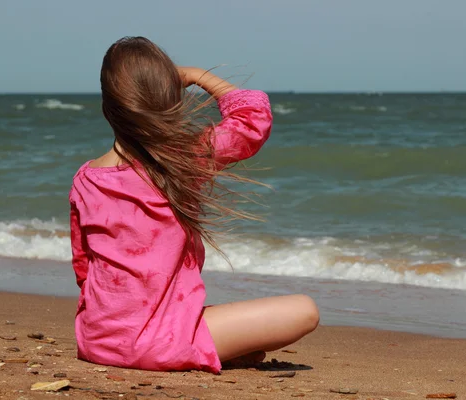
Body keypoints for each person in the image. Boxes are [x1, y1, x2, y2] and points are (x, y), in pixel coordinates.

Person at [69, 36, 319, 374]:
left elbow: (84, 269)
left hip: (96, 339)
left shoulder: (86, 178)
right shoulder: (185, 159)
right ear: (172, 96)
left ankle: (205, 346)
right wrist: (199, 75)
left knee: (198, 315)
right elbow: (252, 116)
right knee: (304, 310)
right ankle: (199, 350)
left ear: (108, 106)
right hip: (157, 344)